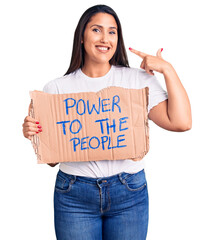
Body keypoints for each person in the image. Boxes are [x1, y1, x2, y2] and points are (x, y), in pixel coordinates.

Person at [22, 4, 192, 240]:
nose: (105, 38)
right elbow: (53, 159)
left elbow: (181, 122)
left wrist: (168, 69)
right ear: (81, 36)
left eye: (112, 32)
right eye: (96, 30)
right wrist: (35, 135)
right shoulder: (56, 88)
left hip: (129, 192)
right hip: (73, 195)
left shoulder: (137, 80)